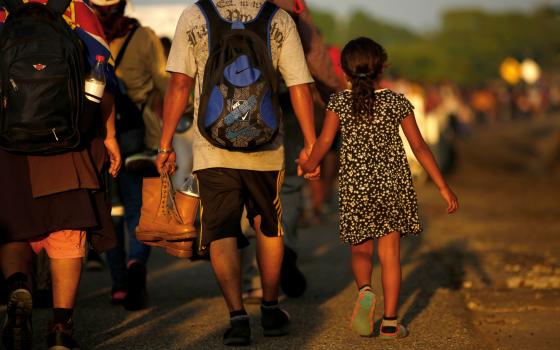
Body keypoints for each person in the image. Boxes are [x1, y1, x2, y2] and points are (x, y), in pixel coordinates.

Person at [157, 0, 319, 346]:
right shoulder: (278, 19)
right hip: (267, 146)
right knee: (269, 226)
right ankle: (271, 310)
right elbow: (299, 86)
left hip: (212, 146)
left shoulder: (195, 16)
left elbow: (179, 86)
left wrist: (165, 143)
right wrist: (310, 145)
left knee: (222, 231)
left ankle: (237, 318)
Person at [299, 37, 459, 339]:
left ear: (345, 72)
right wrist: (443, 186)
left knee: (360, 250)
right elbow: (420, 147)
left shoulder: (339, 103)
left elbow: (323, 144)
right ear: (382, 68)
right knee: (390, 255)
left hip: (356, 187)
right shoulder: (396, 102)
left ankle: (365, 290)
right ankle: (389, 322)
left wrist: (308, 166)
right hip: (393, 185)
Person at [0, 0, 121, 349]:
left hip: (10, 144)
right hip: (69, 139)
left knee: (14, 228)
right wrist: (110, 136)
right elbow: (103, 79)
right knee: (67, 232)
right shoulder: (76, 10)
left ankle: (18, 287)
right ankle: (60, 329)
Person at [90, 0, 169, 310]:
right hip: (139, 134)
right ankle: (137, 262)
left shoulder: (84, 36)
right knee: (139, 209)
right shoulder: (144, 36)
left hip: (96, 137)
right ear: (123, 6)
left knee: (109, 212)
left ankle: (119, 285)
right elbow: (165, 80)